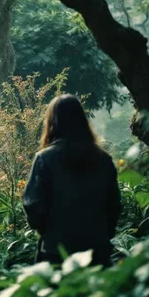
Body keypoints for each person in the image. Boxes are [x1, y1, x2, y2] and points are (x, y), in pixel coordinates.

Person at [23, 94, 121, 266]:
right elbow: (114, 206)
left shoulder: (44, 159)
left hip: (56, 252)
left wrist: (50, 231)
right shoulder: (103, 159)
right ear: (83, 120)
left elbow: (34, 208)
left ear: (52, 122)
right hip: (97, 251)